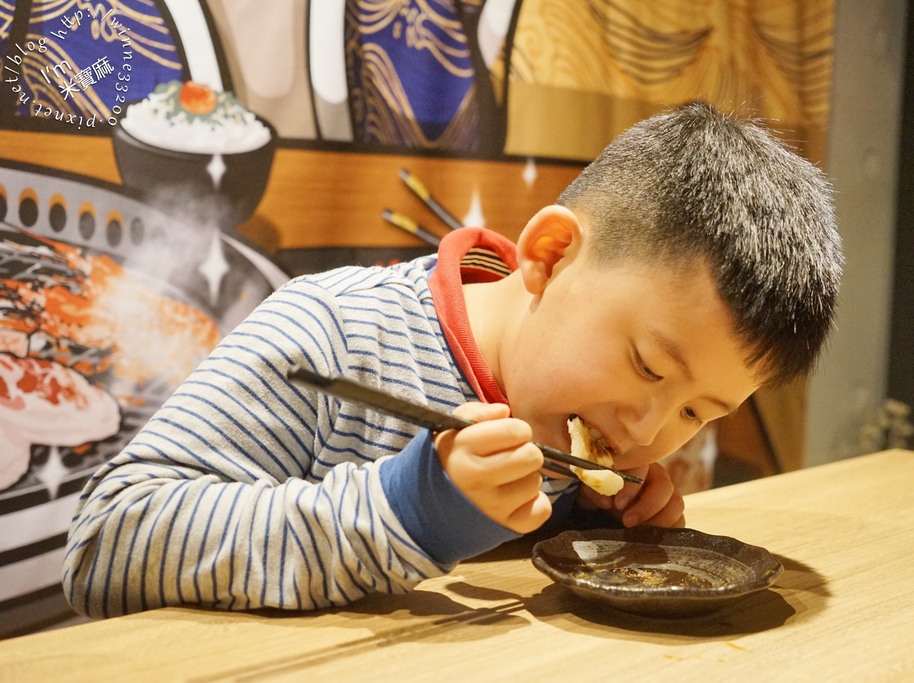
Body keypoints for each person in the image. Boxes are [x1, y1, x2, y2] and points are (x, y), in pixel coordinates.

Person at [63, 102, 842, 618]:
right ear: (550, 252)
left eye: (696, 412)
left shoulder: (587, 431)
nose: (646, 430)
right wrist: (407, 509)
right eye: (645, 365)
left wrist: (608, 526)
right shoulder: (338, 331)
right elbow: (106, 546)